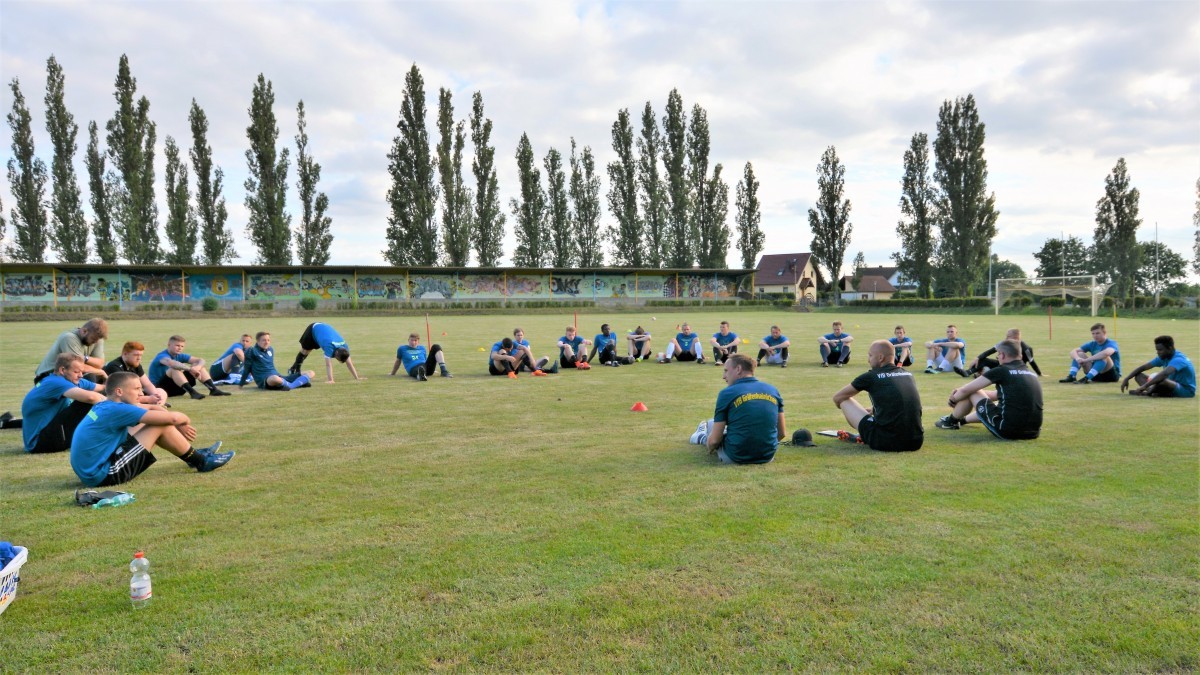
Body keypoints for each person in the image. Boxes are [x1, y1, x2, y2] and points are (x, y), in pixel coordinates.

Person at [70, 371, 234, 487]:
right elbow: (174, 418)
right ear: (119, 391)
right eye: (136, 389)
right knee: (158, 425)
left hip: (90, 470)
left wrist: (164, 413)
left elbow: (149, 407)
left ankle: (194, 455)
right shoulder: (118, 409)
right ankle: (201, 461)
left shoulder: (106, 404)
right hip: (103, 474)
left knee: (150, 422)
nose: (141, 392)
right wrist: (183, 422)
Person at [688, 354, 785, 464]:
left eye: (726, 370)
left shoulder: (727, 393)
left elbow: (714, 441)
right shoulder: (773, 390)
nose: (724, 376)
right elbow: (781, 433)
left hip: (734, 456)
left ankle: (700, 436)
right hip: (767, 457)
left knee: (711, 423)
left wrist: (711, 448)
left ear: (738, 369)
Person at [935, 339, 1043, 440]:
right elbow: (998, 394)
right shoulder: (1031, 374)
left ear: (1003, 355)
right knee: (999, 405)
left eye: (998, 355)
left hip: (1007, 431)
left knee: (973, 391)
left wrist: (953, 399)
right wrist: (963, 392)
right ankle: (962, 421)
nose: (998, 358)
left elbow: (967, 390)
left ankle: (951, 421)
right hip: (1033, 432)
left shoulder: (1002, 370)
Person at [831, 340, 923, 452]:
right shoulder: (908, 374)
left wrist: (856, 416)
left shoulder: (871, 376)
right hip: (915, 441)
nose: (868, 360)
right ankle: (868, 429)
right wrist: (874, 410)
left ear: (880, 357)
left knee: (844, 400)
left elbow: (837, 397)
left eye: (870, 355)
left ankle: (865, 433)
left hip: (887, 442)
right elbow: (903, 402)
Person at [18, 354, 106, 453]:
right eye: (76, 372)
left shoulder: (66, 380)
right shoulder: (56, 383)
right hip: (39, 443)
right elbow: (91, 398)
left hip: (47, 434)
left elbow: (103, 388)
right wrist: (117, 406)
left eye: (82, 371)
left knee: (95, 396)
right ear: (62, 370)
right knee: (86, 402)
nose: (81, 375)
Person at [147, 336, 231, 399]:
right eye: (177, 345)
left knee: (197, 366)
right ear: (169, 345)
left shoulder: (180, 355)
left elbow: (201, 360)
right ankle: (193, 393)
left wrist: (197, 367)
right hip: (159, 390)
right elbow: (172, 364)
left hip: (175, 388)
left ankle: (214, 390)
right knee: (174, 369)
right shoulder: (162, 356)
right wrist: (191, 369)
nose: (180, 348)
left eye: (182, 346)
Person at [33, 317, 109, 383]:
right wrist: (100, 372)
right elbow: (78, 367)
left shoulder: (97, 339)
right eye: (93, 339)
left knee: (107, 376)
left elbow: (100, 364)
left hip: (67, 375)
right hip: (47, 377)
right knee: (90, 377)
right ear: (84, 331)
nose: (95, 342)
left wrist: (85, 358)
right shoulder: (69, 338)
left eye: (97, 340)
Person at [1120, 335, 1195, 398]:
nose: (1158, 352)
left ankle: (1148, 393)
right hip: (1169, 386)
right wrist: (1127, 378)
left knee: (1162, 380)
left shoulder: (1179, 359)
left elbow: (1164, 374)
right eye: (1157, 350)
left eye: (1160, 350)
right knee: (1138, 375)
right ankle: (1152, 392)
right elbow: (1143, 367)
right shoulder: (1164, 356)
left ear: (1170, 348)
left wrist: (1144, 386)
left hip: (1185, 391)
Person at [288, 322, 365, 383]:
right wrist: (330, 380)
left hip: (322, 333)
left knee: (308, 351)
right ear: (336, 354)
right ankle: (294, 371)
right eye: (338, 359)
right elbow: (328, 365)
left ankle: (293, 370)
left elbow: (349, 363)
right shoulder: (329, 347)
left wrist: (357, 377)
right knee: (305, 351)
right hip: (313, 329)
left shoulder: (345, 347)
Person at [241, 332, 315, 390]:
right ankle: (296, 384)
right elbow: (247, 368)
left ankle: (291, 386)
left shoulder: (270, 349)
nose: (266, 342)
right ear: (257, 341)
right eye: (264, 340)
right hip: (265, 380)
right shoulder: (251, 351)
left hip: (279, 377)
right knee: (274, 378)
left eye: (268, 340)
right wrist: (241, 383)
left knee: (311, 373)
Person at [103, 341, 168, 406]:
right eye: (136, 355)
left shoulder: (136, 365)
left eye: (140, 355)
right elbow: (124, 393)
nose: (139, 358)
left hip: (134, 395)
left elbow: (147, 384)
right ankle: (155, 405)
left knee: (160, 391)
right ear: (125, 354)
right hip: (120, 398)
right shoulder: (115, 366)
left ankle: (159, 404)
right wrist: (148, 399)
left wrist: (156, 396)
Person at [964, 328, 1041, 377]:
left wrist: (1039, 373)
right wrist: (978, 358)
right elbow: (990, 351)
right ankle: (968, 372)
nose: (1005, 338)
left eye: (1008, 336)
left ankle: (983, 374)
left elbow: (1032, 362)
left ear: (1016, 338)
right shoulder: (1004, 343)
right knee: (983, 359)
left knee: (993, 370)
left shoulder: (1027, 349)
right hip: (1003, 366)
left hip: (1016, 371)